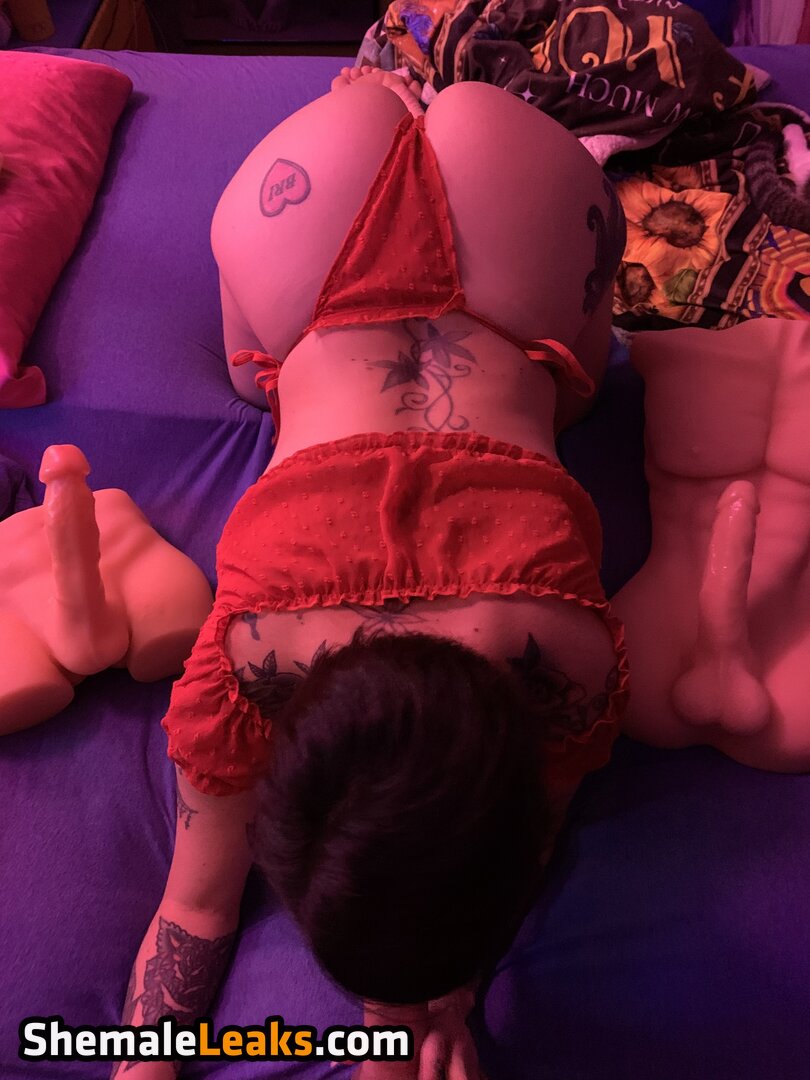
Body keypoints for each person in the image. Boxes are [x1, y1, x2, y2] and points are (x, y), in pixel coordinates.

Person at [115, 67, 627, 1079]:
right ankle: (406, 108)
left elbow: (195, 908)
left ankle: (404, 105)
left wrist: (405, 1022)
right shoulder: (259, 648)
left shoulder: (566, 654)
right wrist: (429, 1011)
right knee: (286, 377)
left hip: (459, 203)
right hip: (333, 233)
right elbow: (201, 912)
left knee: (561, 391)